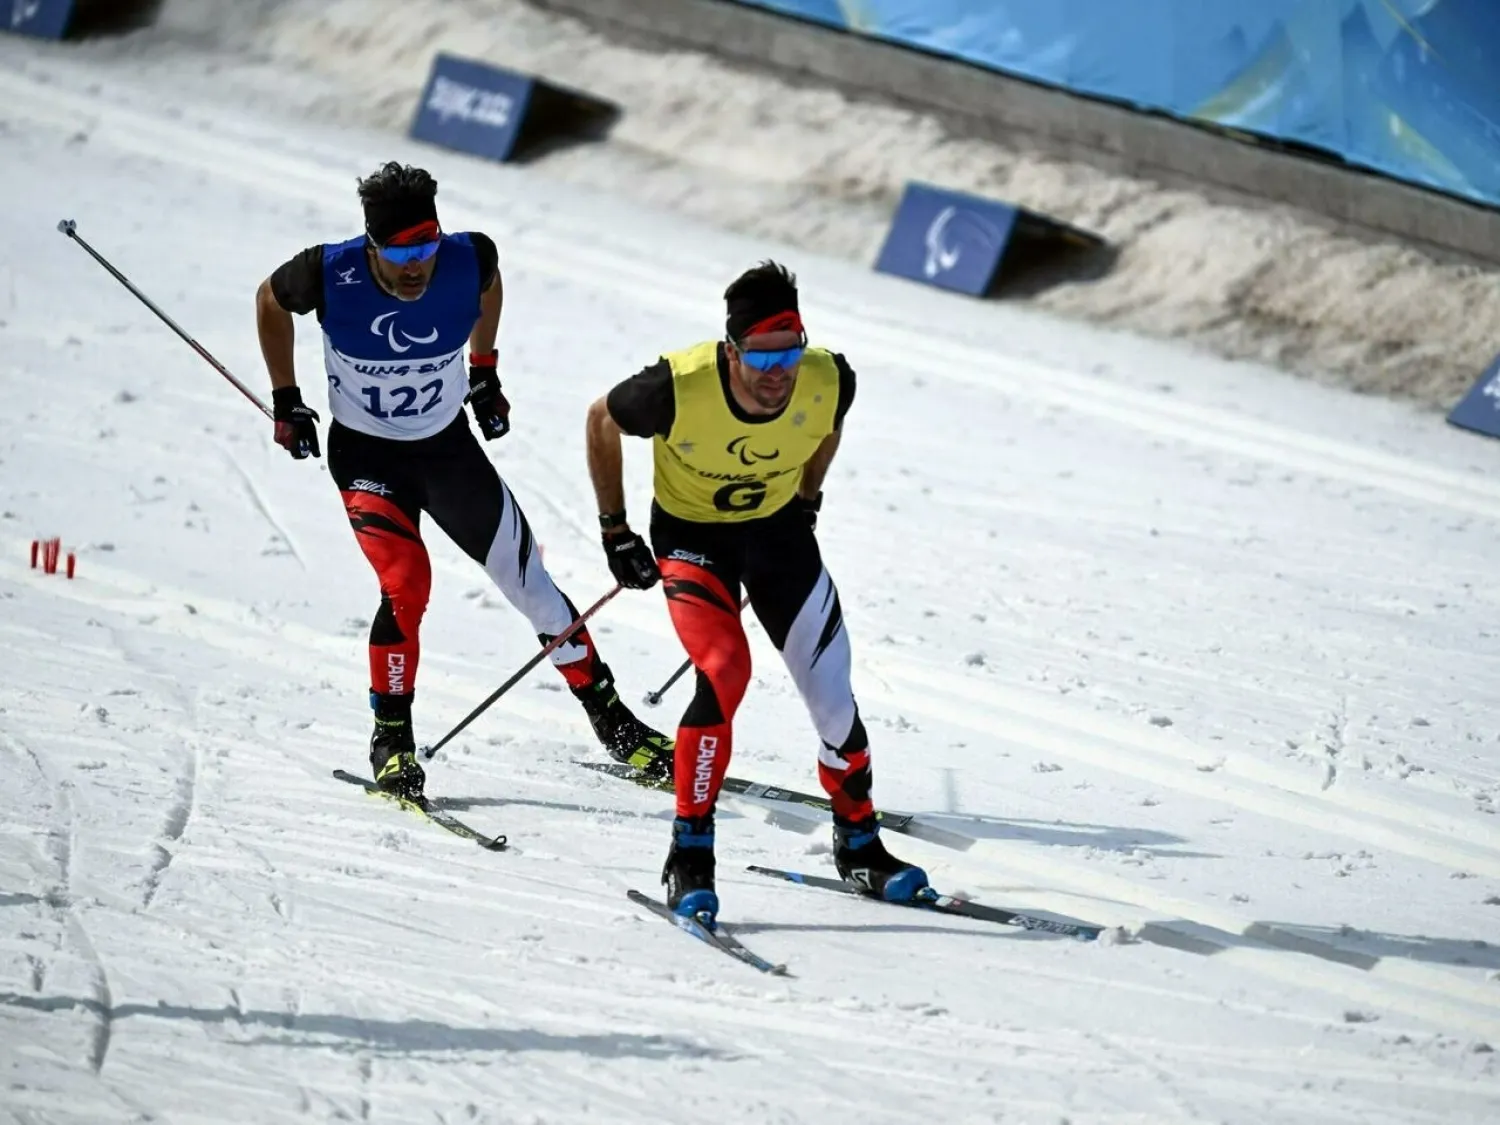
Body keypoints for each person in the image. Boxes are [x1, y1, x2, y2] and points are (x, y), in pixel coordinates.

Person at [254, 161, 670, 800]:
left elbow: (490, 282)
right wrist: (287, 399)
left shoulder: (467, 257)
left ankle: (614, 722)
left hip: (448, 452)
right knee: (407, 584)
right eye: (400, 252)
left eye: (426, 246)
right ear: (372, 247)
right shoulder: (327, 272)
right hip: (368, 459)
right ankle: (391, 740)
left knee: (531, 584)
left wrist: (484, 370)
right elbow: (268, 301)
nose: (417, 264)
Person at [584, 260, 928, 925]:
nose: (778, 371)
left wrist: (807, 497)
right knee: (725, 672)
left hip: (775, 537)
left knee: (833, 696)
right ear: (731, 348)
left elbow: (828, 422)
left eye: (789, 352)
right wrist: (614, 529)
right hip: (693, 541)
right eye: (761, 354)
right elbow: (602, 418)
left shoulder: (830, 377)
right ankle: (691, 852)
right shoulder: (674, 387)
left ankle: (859, 842)